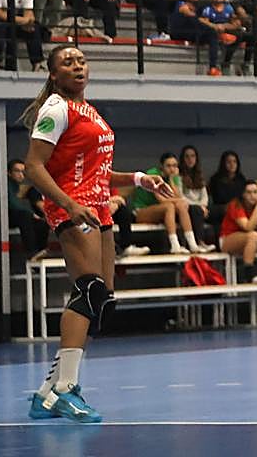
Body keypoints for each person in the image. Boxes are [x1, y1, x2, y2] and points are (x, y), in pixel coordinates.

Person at [21, 45, 173, 422]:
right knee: (87, 290)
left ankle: (46, 394)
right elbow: (33, 167)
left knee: (101, 300)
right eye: (68, 62)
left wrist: (140, 179)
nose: (78, 66)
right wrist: (70, 206)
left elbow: (96, 170)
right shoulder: (56, 108)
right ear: (54, 74)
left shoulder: (89, 111)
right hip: (74, 208)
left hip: (99, 207)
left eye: (82, 60)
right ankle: (66, 390)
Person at [133, 152, 213, 254]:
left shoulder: (173, 176)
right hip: (141, 211)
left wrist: (171, 179)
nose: (172, 168)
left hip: (160, 210)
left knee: (181, 206)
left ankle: (193, 244)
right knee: (169, 206)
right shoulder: (153, 175)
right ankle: (175, 245)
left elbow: (177, 197)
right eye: (168, 166)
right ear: (162, 166)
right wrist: (180, 200)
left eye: (174, 165)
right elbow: (162, 200)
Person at [220, 178, 257, 281]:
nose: (253, 196)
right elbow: (248, 227)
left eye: (255, 192)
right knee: (253, 235)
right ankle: (249, 274)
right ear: (243, 194)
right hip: (228, 239)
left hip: (251, 240)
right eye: (249, 192)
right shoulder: (235, 205)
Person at [7, 158, 49, 255]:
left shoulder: (23, 187)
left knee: (41, 223)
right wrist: (31, 214)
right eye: (17, 171)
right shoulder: (6, 184)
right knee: (25, 216)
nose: (21, 174)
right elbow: (12, 203)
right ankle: (32, 253)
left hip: (19, 216)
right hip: (6, 216)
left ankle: (41, 252)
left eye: (23, 171)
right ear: (9, 173)